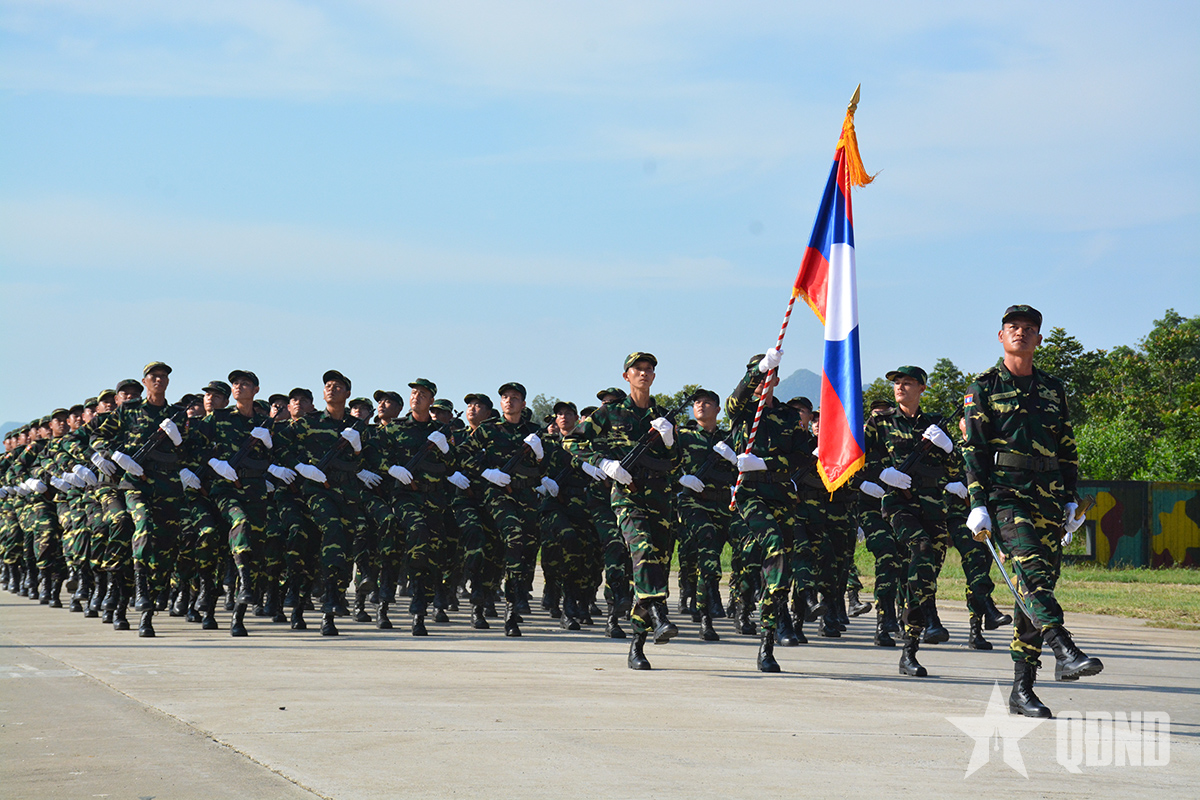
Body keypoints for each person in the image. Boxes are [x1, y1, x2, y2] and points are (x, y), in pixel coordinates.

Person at [962, 304, 1101, 718]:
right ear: (1001, 337)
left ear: (1039, 339)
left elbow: (1067, 446)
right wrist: (977, 503)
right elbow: (973, 448)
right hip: (1006, 497)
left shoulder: (1053, 389)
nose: (1020, 333)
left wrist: (1072, 498)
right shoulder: (983, 387)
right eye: (1012, 328)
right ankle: (1064, 646)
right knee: (1031, 575)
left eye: (1028, 328)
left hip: (1049, 497)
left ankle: (1023, 690)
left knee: (1033, 591)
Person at [565, 353, 682, 670]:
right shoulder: (611, 412)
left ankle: (638, 643)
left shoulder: (662, 417)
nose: (643, 374)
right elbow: (570, 442)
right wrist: (603, 463)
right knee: (641, 550)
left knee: (654, 566)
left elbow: (681, 463)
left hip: (659, 497)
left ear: (654, 377)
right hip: (626, 494)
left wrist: (670, 438)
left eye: (649, 370)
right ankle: (659, 613)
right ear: (626, 376)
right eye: (637, 369)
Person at [861, 365, 959, 677]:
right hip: (897, 503)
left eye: (907, 383)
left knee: (927, 573)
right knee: (921, 546)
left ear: (922, 389)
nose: (900, 387)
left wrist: (949, 447)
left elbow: (960, 467)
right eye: (897, 383)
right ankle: (927, 614)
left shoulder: (935, 425)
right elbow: (859, 453)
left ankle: (910, 648)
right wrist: (881, 472)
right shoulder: (881, 421)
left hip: (932, 505)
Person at [725, 349, 812, 672]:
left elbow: (804, 457)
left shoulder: (789, 417)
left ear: (776, 378)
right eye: (758, 376)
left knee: (780, 571)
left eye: (767, 376)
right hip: (750, 494)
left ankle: (768, 641)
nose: (763, 382)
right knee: (774, 546)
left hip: (781, 495)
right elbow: (735, 399)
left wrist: (768, 462)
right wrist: (757, 370)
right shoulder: (743, 411)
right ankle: (751, 610)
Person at [459, 382, 547, 637]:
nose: (509, 401)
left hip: (527, 496)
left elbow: (547, 468)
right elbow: (462, 454)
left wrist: (540, 455)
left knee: (518, 550)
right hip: (497, 495)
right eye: (505, 397)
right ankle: (491, 604)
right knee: (512, 536)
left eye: (515, 397)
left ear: (524, 404)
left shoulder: (534, 432)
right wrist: (487, 472)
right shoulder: (488, 430)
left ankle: (512, 607)